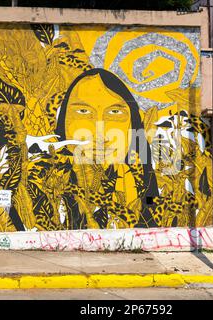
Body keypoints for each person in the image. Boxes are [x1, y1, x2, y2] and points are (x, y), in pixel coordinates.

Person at [55, 68, 159, 229]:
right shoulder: (49, 193)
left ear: (133, 126)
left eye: (114, 112)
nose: (100, 133)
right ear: (63, 122)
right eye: (83, 111)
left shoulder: (143, 189)